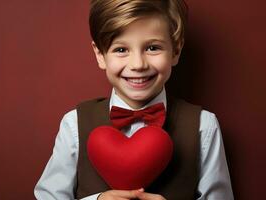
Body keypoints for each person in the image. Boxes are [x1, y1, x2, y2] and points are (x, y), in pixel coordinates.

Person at [34, 0, 234, 199]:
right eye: (121, 50)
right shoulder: (74, 124)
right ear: (100, 54)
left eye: (153, 48)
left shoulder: (204, 126)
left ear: (176, 50)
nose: (138, 64)